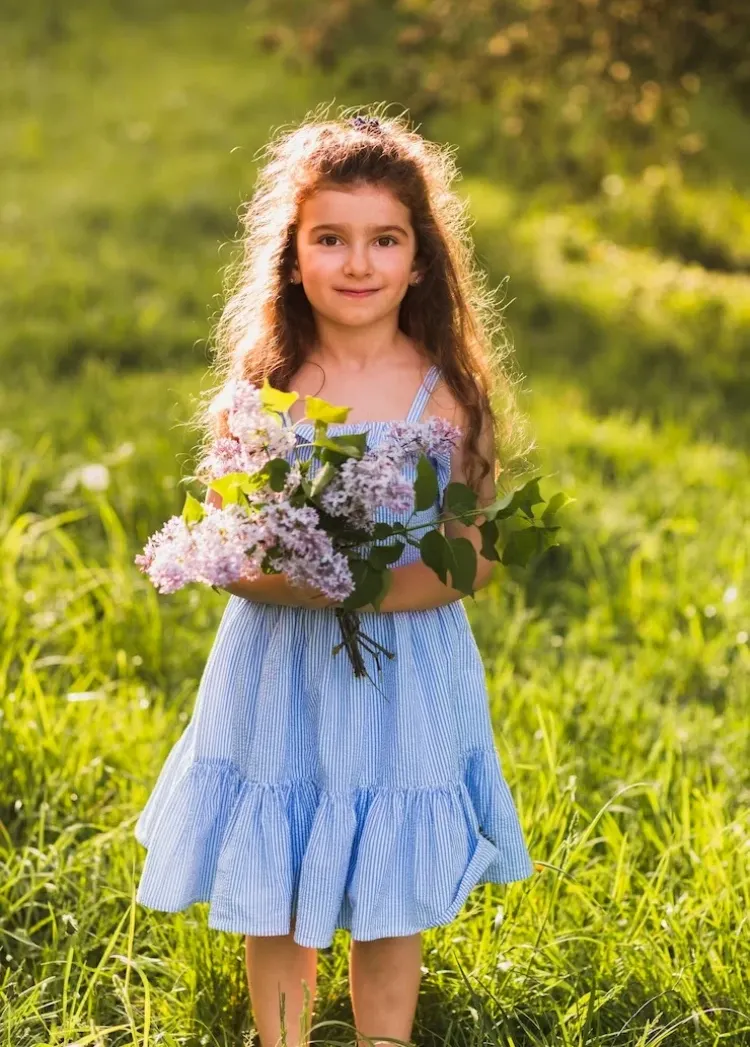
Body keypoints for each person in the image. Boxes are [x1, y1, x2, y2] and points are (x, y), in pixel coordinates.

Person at [134, 106, 536, 1047]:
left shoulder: (448, 393)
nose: (357, 264)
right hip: (281, 668)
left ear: (421, 258)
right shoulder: (271, 382)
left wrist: (363, 588)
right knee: (275, 868)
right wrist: (295, 576)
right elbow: (238, 548)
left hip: (405, 668)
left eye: (383, 240)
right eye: (330, 239)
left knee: (390, 883)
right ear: (292, 253)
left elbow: (471, 557)